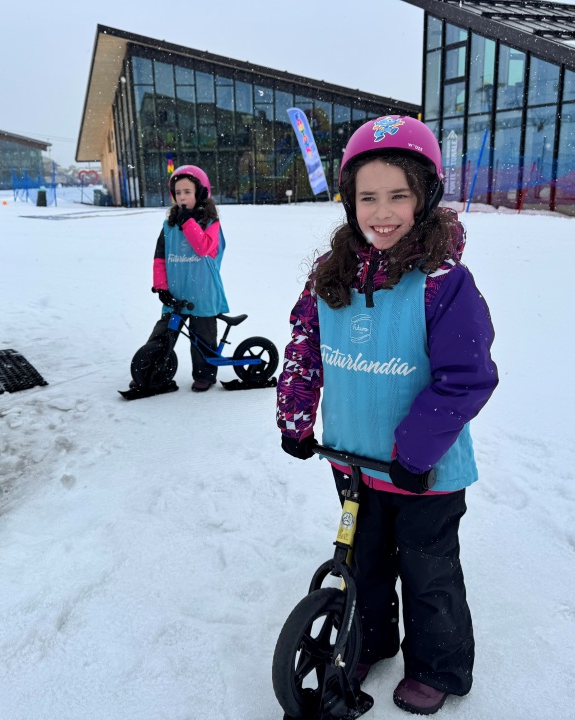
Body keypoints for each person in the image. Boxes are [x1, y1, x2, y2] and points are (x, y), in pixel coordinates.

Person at [276, 116, 498, 715]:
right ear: (350, 201)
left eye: (398, 195)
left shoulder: (444, 283)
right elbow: (304, 345)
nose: (382, 212)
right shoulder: (330, 277)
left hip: (422, 470)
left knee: (429, 575)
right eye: (367, 196)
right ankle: (368, 637)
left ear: (424, 198)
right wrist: (295, 419)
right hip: (353, 459)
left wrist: (416, 451)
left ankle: (440, 665)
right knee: (364, 563)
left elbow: (466, 377)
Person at [143, 165, 229, 392]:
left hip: (203, 292)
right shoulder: (169, 226)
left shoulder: (211, 224)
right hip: (176, 292)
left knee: (203, 338)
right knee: (162, 334)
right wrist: (161, 287)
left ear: (200, 193)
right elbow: (160, 258)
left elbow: (203, 248)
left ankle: (204, 375)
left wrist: (188, 222)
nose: (181, 197)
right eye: (178, 192)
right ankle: (148, 370)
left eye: (187, 192)